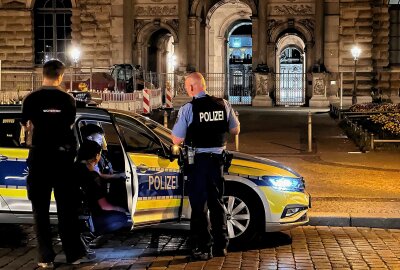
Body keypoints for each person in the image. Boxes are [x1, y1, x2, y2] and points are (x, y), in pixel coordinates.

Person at [21, 59, 94, 268]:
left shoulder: (30, 99)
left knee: (40, 212)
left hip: (39, 159)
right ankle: (73, 254)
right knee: (67, 210)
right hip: (62, 160)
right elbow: (70, 124)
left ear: (43, 74)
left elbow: (25, 126)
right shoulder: (68, 100)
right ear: (61, 76)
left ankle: (45, 257)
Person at [171, 72, 240, 260]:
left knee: (199, 206)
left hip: (198, 162)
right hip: (217, 161)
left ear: (193, 87)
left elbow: (177, 138)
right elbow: (235, 129)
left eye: (186, 87)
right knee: (217, 203)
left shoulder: (188, 108)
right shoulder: (223, 104)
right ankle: (221, 245)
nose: (186, 90)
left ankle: (203, 247)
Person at [74, 140, 130, 235]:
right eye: (100, 154)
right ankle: (97, 232)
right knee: (122, 218)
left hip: (76, 216)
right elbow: (104, 205)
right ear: (96, 156)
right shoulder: (93, 177)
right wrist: (120, 209)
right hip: (92, 218)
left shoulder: (75, 168)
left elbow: (101, 175)